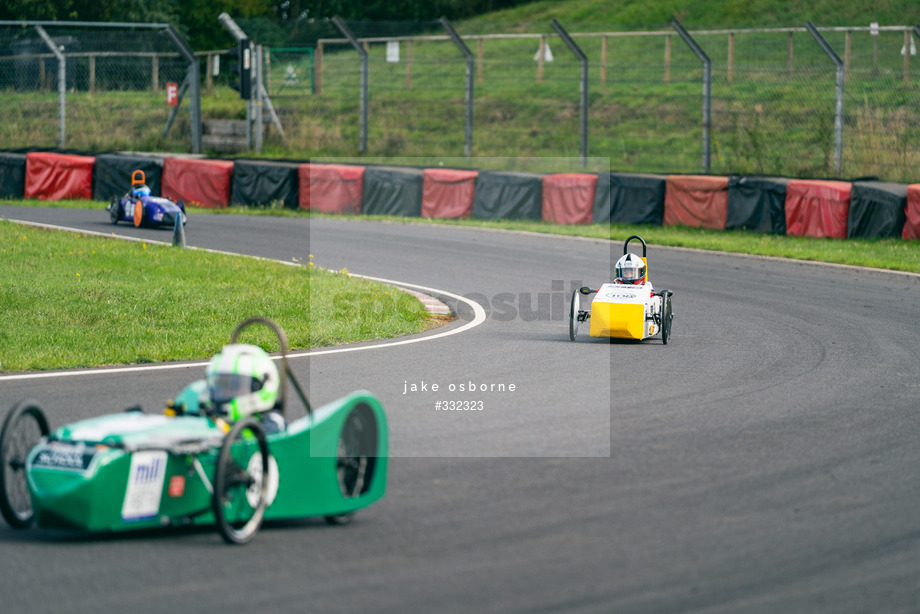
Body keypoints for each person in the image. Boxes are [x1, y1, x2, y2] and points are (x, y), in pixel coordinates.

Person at [205, 344, 285, 432]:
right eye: (221, 385)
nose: (226, 392)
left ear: (260, 386)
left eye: (235, 386)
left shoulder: (273, 424)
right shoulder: (212, 418)